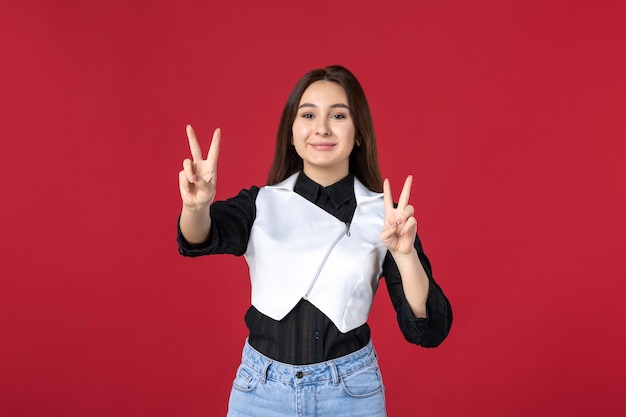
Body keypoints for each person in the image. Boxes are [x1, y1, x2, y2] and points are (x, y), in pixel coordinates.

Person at [177, 65, 452, 416]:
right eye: (308, 114)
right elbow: (198, 236)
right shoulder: (260, 203)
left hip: (351, 394)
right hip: (261, 392)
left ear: (359, 134)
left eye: (338, 115)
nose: (322, 127)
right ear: (291, 133)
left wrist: (405, 254)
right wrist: (196, 206)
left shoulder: (385, 216)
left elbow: (427, 329)